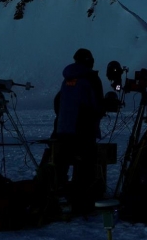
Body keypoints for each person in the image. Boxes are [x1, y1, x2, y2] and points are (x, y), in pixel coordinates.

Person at [53, 48, 105, 214]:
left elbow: (57, 101)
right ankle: (82, 202)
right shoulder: (90, 78)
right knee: (85, 166)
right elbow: (97, 104)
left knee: (62, 165)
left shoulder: (68, 78)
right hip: (83, 130)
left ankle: (57, 198)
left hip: (63, 129)